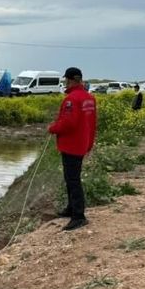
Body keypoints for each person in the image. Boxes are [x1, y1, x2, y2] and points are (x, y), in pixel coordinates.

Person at [49, 67, 98, 231]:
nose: (65, 83)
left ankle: (78, 216)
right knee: (71, 177)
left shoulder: (71, 99)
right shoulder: (89, 98)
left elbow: (68, 123)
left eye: (65, 80)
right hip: (82, 144)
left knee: (73, 180)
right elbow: (92, 124)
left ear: (69, 80)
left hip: (71, 145)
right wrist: (90, 144)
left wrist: (53, 128)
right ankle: (71, 208)